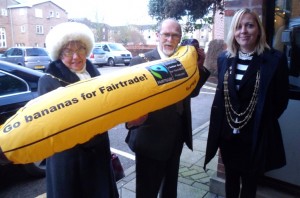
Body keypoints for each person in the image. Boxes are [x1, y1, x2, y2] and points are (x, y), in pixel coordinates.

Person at [204, 8, 289, 198]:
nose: (243, 31)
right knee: (231, 180)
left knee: (250, 183)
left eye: (249, 25)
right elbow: (225, 94)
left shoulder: (274, 59)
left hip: (254, 135)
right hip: (228, 135)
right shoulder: (224, 58)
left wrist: (261, 118)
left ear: (258, 30)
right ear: (233, 32)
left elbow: (281, 99)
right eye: (239, 27)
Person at [125, 18, 206, 198]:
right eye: (166, 35)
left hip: (177, 136)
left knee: (170, 191)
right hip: (150, 140)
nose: (170, 39)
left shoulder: (185, 61)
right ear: (157, 36)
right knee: (147, 192)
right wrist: (130, 122)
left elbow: (192, 93)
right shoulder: (140, 62)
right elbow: (129, 102)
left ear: (180, 38)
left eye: (175, 36)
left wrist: (199, 67)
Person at [38, 22, 119, 198]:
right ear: (59, 54)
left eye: (80, 49)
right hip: (70, 160)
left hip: (98, 153)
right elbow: (53, 127)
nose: (76, 56)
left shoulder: (94, 73)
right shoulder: (49, 80)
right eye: (68, 51)